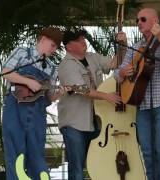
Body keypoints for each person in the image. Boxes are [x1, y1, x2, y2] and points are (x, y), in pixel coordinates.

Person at [114, 8, 160, 180]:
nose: (138, 23)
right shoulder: (135, 47)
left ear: (155, 21)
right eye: (137, 20)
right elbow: (118, 73)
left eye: (142, 19)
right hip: (142, 103)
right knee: (147, 150)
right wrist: (123, 73)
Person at [57, 27, 126, 180]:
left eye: (83, 38)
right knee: (77, 169)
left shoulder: (92, 57)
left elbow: (115, 63)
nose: (83, 41)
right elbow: (82, 90)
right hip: (74, 124)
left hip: (95, 122)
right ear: (68, 46)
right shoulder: (66, 65)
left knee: (98, 163)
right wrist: (107, 96)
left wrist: (122, 44)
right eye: (79, 39)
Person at [2, 27, 69, 180]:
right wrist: (27, 81)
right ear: (43, 39)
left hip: (37, 113)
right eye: (53, 45)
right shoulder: (22, 52)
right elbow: (6, 71)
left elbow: (49, 97)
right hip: (15, 108)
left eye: (57, 48)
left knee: (36, 153)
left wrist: (60, 92)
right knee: (15, 151)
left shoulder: (52, 68)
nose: (54, 50)